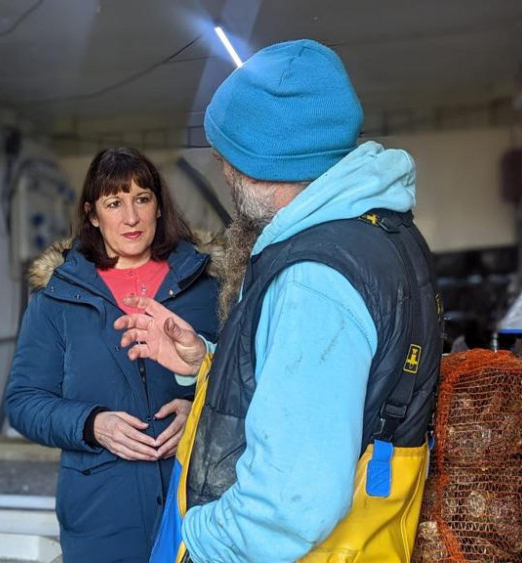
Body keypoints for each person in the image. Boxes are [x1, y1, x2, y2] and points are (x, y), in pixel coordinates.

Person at [117, 39, 442, 562]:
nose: (222, 173)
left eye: (228, 159)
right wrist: (206, 362)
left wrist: (195, 539)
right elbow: (322, 397)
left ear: (263, 164)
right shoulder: (379, 236)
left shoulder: (314, 280)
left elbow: (289, 506)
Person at [5, 147, 219, 562]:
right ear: (92, 214)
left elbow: (246, 379)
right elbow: (23, 402)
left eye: (142, 199)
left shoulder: (205, 286)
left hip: (194, 501)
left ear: (159, 206)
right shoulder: (59, 297)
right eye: (114, 203)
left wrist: (198, 412)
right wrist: (92, 424)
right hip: (101, 511)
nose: (131, 217)